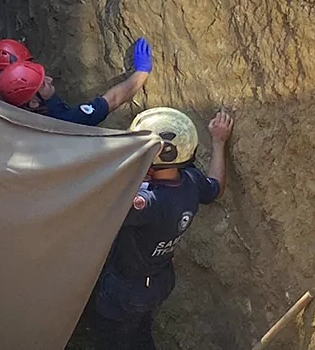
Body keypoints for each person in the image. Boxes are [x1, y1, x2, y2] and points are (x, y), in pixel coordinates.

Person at [93, 106, 234, 350]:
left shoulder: (145, 203)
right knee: (139, 329)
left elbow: (99, 207)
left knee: (113, 337)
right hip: (159, 281)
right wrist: (219, 143)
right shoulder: (191, 181)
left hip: (125, 288)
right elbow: (216, 188)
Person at [0, 38, 153, 127]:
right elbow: (112, 100)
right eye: (42, 84)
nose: (49, 80)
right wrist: (142, 72)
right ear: (34, 102)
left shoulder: (10, 113)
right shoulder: (65, 121)